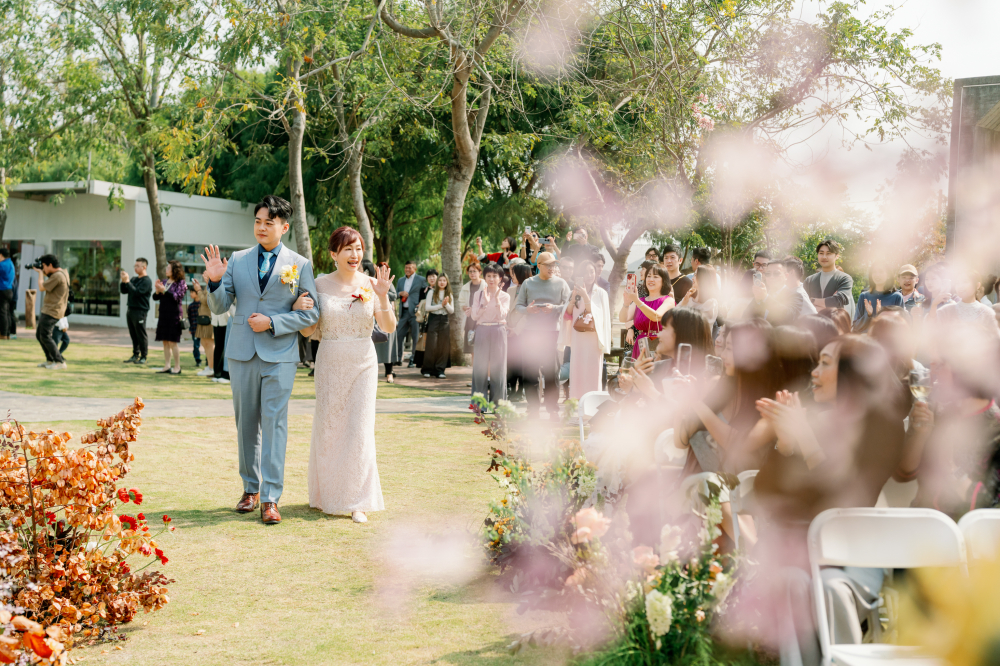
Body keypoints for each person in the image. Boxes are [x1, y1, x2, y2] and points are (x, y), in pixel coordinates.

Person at [201, 194, 321, 525]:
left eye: (269, 222)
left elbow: (314, 313)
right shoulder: (237, 260)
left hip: (280, 354)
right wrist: (214, 280)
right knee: (246, 425)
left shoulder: (299, 265)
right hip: (241, 353)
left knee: (275, 424)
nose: (262, 227)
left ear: (284, 227)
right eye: (257, 221)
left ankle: (270, 498)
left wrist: (274, 323)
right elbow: (219, 306)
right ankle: (250, 490)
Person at [293, 227, 395, 524]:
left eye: (358, 248)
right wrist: (299, 307)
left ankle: (358, 501)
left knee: (359, 429)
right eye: (348, 249)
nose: (355, 255)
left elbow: (387, 327)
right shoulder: (317, 284)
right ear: (333, 254)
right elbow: (309, 331)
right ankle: (326, 495)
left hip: (363, 361)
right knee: (330, 427)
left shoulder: (373, 284)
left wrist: (383, 297)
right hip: (330, 359)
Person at [514, 251, 571, 418]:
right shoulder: (528, 283)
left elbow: (569, 305)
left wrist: (553, 309)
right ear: (539, 266)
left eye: (554, 265)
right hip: (530, 333)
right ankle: (533, 409)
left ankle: (553, 410)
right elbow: (518, 306)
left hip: (551, 333)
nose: (552, 268)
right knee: (530, 373)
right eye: (549, 265)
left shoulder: (561, 283)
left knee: (552, 373)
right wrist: (528, 310)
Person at [568, 260, 611, 399]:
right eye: (585, 272)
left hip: (593, 338)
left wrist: (586, 297)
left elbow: (599, 316)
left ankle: (592, 405)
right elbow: (567, 313)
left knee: (593, 371)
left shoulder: (601, 293)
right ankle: (577, 404)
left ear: (596, 273)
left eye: (591, 272)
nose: (589, 275)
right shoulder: (575, 292)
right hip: (578, 337)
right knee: (577, 370)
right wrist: (574, 297)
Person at [470, 263, 510, 402]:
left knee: (498, 369)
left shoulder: (505, 296)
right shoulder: (478, 294)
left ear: (500, 278)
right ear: (484, 277)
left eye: (495, 276)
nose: (491, 279)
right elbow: (474, 316)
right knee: (479, 368)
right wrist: (484, 304)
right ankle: (478, 405)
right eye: (488, 276)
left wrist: (497, 300)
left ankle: (498, 404)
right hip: (482, 330)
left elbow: (503, 315)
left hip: (499, 330)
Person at [620, 264, 675, 360]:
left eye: (655, 276)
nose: (651, 279)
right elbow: (623, 319)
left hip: (660, 344)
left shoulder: (668, 300)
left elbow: (656, 316)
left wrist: (636, 301)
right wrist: (626, 304)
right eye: (648, 276)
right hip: (641, 344)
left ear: (664, 281)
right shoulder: (640, 300)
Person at [934, 266, 1000, 338]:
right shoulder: (946, 311)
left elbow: (995, 342)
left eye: (965, 282)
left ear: (977, 285)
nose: (960, 286)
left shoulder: (988, 313)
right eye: (957, 283)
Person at [363, 259, 399, 383]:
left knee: (387, 346)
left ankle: (389, 372)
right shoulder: (363, 283)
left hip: (385, 314)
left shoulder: (382, 282)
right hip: (369, 322)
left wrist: (383, 294)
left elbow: (395, 295)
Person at [803, 238, 856, 318]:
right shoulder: (809, 280)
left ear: (837, 256)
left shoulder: (844, 278)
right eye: (821, 253)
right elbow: (803, 303)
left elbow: (838, 300)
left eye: (828, 253)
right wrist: (828, 303)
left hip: (835, 326)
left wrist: (812, 300)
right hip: (813, 326)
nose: (824, 257)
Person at [33, 254, 69, 370]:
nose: (43, 268)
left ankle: (59, 361)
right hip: (52, 309)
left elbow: (42, 287)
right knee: (40, 335)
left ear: (50, 265)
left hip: (52, 310)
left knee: (45, 336)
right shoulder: (62, 273)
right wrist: (43, 271)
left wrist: (39, 273)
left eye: (44, 266)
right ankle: (50, 360)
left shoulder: (57, 276)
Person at [152, 260, 187, 375]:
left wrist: (164, 291)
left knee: (173, 342)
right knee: (165, 342)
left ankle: (177, 366)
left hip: (174, 316)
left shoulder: (181, 283)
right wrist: (157, 291)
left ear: (174, 270)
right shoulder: (165, 282)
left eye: (168, 268)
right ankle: (167, 365)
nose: (166, 270)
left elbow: (177, 297)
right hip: (163, 315)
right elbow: (155, 298)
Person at [506, 263, 533, 402]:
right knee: (511, 362)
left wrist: (516, 330)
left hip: (523, 333)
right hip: (509, 331)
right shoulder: (510, 290)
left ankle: (521, 390)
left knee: (522, 363)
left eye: (515, 273)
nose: (512, 276)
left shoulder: (530, 290)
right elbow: (506, 309)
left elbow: (527, 314)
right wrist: (507, 327)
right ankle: (510, 388)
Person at [852, 264, 903, 333]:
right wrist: (868, 315)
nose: (877, 275)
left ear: (888, 275)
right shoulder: (864, 296)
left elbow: (901, 327)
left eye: (881, 272)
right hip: (866, 340)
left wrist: (881, 315)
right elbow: (856, 325)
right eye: (874, 272)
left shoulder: (897, 297)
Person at [120, 258, 153, 363]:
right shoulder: (134, 279)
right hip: (131, 309)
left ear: (144, 267)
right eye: (135, 266)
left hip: (140, 311)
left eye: (137, 266)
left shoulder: (147, 281)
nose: (135, 268)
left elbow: (136, 293)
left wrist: (128, 282)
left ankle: (144, 356)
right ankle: (135, 354)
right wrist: (123, 281)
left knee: (141, 334)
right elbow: (124, 291)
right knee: (133, 334)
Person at [395, 260, 427, 368]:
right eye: (406, 268)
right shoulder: (400, 280)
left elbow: (426, 292)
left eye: (410, 268)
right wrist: (400, 293)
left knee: (415, 337)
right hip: (403, 312)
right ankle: (398, 358)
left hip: (415, 313)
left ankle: (413, 359)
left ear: (415, 269)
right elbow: (394, 293)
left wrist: (421, 303)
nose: (407, 270)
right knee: (399, 335)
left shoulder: (421, 280)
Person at [422, 272, 454, 378]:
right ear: (437, 281)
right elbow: (427, 308)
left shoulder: (449, 293)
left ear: (447, 282)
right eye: (440, 280)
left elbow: (451, 311)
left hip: (444, 320)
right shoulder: (431, 292)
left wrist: (446, 305)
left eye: (444, 280)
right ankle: (427, 369)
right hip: (434, 319)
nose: (442, 282)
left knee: (443, 346)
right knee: (432, 344)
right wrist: (441, 305)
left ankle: (440, 370)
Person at [413, 269, 437, 369]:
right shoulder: (424, 289)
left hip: (435, 317)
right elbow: (421, 302)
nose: (431, 278)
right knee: (423, 339)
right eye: (429, 276)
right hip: (425, 318)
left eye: (433, 276)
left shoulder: (440, 289)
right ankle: (422, 362)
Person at [459, 262, 483, 358]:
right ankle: (474, 371)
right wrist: (466, 308)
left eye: (474, 271)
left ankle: (485, 371)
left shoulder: (485, 286)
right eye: (470, 271)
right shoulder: (465, 287)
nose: (472, 273)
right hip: (470, 319)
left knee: (482, 346)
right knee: (472, 347)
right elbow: (461, 303)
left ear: (480, 272)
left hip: (482, 318)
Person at [187, 281, 204, 368]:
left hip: (203, 328)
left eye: (192, 292)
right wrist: (190, 328)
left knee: (205, 344)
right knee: (196, 345)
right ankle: (198, 360)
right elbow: (189, 318)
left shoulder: (202, 304)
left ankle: (209, 361)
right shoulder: (190, 306)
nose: (190, 294)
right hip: (194, 329)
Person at [0, 247, 14, 340]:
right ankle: (8, 333)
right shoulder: (10, 263)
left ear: (1, 255)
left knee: (2, 313)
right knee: (7, 312)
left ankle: (3, 334)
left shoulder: (2, 265)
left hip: (2, 290)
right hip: (9, 290)